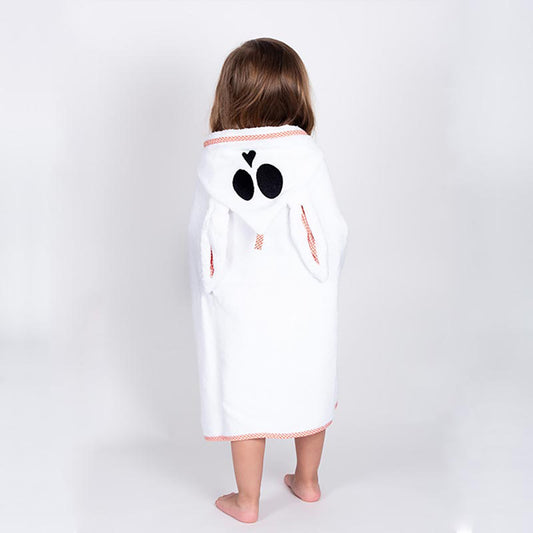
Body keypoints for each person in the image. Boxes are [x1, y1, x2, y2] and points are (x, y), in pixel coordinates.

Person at [187, 37, 349, 523]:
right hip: (302, 298)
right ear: (295, 92)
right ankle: (308, 480)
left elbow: (198, 238)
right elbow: (334, 229)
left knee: (244, 392)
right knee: (309, 376)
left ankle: (247, 500)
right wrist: (322, 274)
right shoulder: (306, 157)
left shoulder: (215, 163)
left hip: (240, 306)